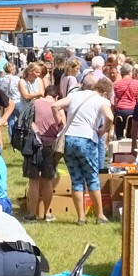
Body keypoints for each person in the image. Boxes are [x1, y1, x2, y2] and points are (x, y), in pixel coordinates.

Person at [53, 76, 113, 225]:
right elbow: (110, 117)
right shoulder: (102, 101)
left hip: (69, 139)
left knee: (76, 179)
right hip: (87, 139)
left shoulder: (75, 95)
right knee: (92, 177)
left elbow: (55, 106)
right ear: (105, 93)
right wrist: (102, 130)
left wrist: (60, 123)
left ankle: (81, 217)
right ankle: (100, 215)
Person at [22, 86, 64, 222]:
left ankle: (32, 214)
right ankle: (47, 213)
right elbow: (62, 125)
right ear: (56, 96)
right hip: (50, 146)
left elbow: (26, 122)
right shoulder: (58, 107)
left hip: (34, 145)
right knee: (47, 181)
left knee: (33, 181)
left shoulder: (35, 103)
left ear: (45, 94)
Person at [112, 65, 138, 141]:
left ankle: (119, 141)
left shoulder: (116, 84)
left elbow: (113, 100)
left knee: (119, 133)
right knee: (131, 134)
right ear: (130, 72)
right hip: (133, 111)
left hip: (120, 111)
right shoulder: (137, 83)